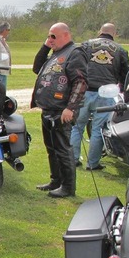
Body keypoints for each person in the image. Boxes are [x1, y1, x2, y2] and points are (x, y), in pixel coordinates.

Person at [32, 22, 87, 198]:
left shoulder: (74, 53)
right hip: (48, 109)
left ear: (66, 35)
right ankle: (56, 180)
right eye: (48, 36)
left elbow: (80, 82)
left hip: (61, 110)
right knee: (52, 148)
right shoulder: (56, 54)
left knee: (63, 149)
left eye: (53, 36)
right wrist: (45, 46)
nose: (50, 39)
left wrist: (70, 108)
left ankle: (68, 186)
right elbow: (36, 67)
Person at [69, 23, 129, 171]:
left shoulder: (85, 45)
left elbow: (74, 65)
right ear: (114, 34)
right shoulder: (120, 50)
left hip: (84, 90)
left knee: (77, 127)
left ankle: (73, 159)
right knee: (98, 129)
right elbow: (125, 74)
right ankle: (92, 163)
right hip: (105, 93)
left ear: (99, 32)